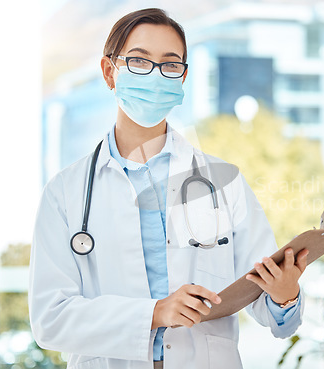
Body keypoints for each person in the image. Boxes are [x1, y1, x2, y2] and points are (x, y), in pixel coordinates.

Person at [29, 8, 309, 369]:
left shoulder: (223, 182)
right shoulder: (65, 193)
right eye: (140, 61)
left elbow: (267, 307)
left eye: (170, 64)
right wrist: (155, 313)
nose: (156, 75)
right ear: (109, 71)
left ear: (182, 77)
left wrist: (284, 295)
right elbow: (51, 319)